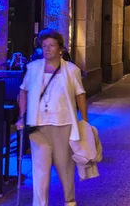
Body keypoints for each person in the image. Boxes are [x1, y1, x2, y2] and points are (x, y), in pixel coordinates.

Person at [16, 30, 88, 206]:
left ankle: (70, 201)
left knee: (65, 169)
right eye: (44, 45)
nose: (47, 49)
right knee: (40, 171)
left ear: (60, 49)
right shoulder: (33, 68)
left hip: (63, 125)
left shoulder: (71, 70)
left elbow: (80, 95)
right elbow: (23, 92)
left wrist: (83, 122)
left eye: (51, 45)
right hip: (38, 126)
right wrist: (21, 116)